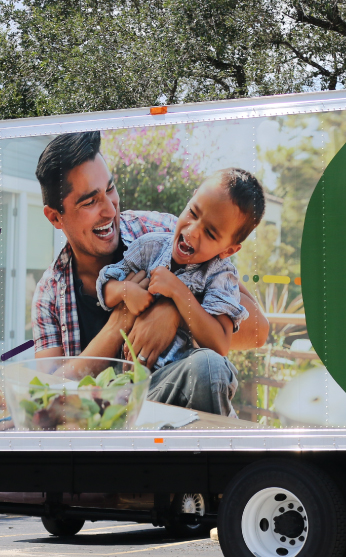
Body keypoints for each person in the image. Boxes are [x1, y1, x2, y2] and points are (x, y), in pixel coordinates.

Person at [32, 131, 269, 416]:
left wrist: (174, 309)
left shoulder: (162, 233)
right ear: (55, 217)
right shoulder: (49, 294)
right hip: (105, 424)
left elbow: (258, 331)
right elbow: (50, 394)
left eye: (110, 189)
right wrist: (119, 323)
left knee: (208, 367)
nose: (109, 210)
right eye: (89, 202)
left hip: (172, 400)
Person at [97, 168, 263, 370]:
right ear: (192, 198)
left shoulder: (221, 276)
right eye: (193, 212)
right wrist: (125, 290)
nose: (192, 231)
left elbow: (220, 344)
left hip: (179, 375)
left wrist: (178, 292)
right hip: (130, 371)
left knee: (216, 369)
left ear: (228, 250)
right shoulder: (150, 246)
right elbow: (106, 284)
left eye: (210, 233)